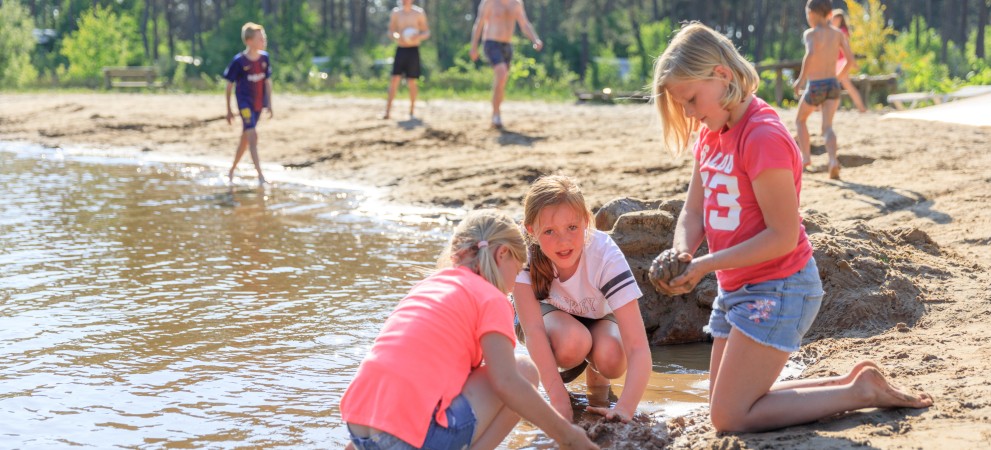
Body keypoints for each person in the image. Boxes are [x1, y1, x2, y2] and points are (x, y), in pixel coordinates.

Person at [650, 21, 933, 433]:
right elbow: (693, 212)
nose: (689, 113)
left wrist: (705, 265)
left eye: (691, 100)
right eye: (683, 106)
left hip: (779, 288)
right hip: (737, 288)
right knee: (723, 405)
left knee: (729, 417)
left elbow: (782, 237)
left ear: (722, 76)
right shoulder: (711, 133)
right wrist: (681, 252)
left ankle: (860, 395)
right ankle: (853, 383)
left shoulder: (762, 137)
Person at [340, 209, 598, 450]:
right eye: (518, 270)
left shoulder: (429, 286)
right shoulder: (491, 297)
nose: (515, 283)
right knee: (524, 372)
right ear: (503, 254)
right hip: (407, 438)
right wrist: (568, 436)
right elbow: (507, 383)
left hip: (359, 428)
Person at [513, 175, 652, 423]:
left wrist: (625, 408)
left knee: (613, 356)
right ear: (532, 231)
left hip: (597, 316)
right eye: (549, 231)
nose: (563, 241)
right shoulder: (524, 255)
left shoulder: (604, 255)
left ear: (586, 222)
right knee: (573, 343)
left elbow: (638, 347)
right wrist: (558, 403)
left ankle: (597, 376)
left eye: (572, 228)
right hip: (549, 318)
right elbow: (533, 331)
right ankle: (566, 388)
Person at [792, 0, 855, 180]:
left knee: (800, 120)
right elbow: (850, 60)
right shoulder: (837, 34)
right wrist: (838, 77)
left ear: (812, 13)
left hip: (815, 84)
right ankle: (833, 160)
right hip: (832, 83)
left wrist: (800, 80)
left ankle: (806, 158)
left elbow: (810, 54)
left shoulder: (811, 34)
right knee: (827, 127)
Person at [469, 0, 543, 129]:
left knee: (502, 82)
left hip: (507, 45)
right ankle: (496, 114)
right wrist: (473, 47)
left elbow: (524, 24)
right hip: (491, 43)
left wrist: (535, 39)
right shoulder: (489, 2)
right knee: (501, 74)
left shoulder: (516, 3)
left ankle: (496, 114)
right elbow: (479, 23)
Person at [223, 22, 273, 186]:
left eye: (264, 37)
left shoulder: (265, 58)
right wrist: (229, 110)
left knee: (245, 139)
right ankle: (260, 176)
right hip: (244, 105)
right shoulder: (238, 61)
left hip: (258, 104)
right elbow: (229, 86)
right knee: (252, 136)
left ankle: (231, 170)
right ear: (249, 41)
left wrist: (270, 104)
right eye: (260, 38)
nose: (264, 40)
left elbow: (267, 82)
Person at [383, 0, 430, 120]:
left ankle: (412, 111)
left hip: (413, 50)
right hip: (401, 49)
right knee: (394, 79)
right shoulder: (396, 13)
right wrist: (397, 36)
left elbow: (426, 32)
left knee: (412, 81)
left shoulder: (418, 13)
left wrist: (417, 36)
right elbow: (390, 30)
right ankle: (387, 112)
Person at [830, 8, 868, 113]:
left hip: (842, 61)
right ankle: (861, 107)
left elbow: (846, 48)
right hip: (840, 61)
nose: (832, 21)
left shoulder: (841, 32)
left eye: (834, 19)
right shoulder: (839, 31)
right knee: (840, 84)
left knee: (843, 84)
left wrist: (852, 62)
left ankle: (861, 107)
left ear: (838, 19)